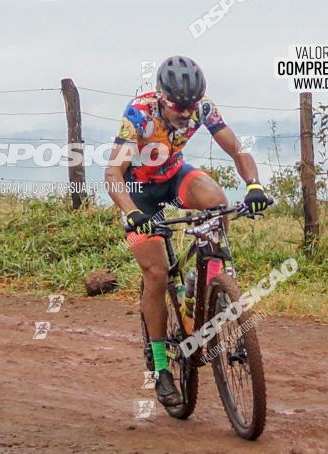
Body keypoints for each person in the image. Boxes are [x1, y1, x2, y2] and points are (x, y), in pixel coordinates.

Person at [105, 55, 270, 407]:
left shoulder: (203, 109)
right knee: (157, 273)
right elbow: (112, 175)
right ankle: (162, 367)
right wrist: (133, 214)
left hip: (173, 176)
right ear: (162, 97)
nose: (186, 112)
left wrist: (254, 185)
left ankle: (210, 276)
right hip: (137, 192)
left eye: (191, 105)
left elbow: (237, 150)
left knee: (217, 200)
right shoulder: (140, 113)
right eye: (179, 106)